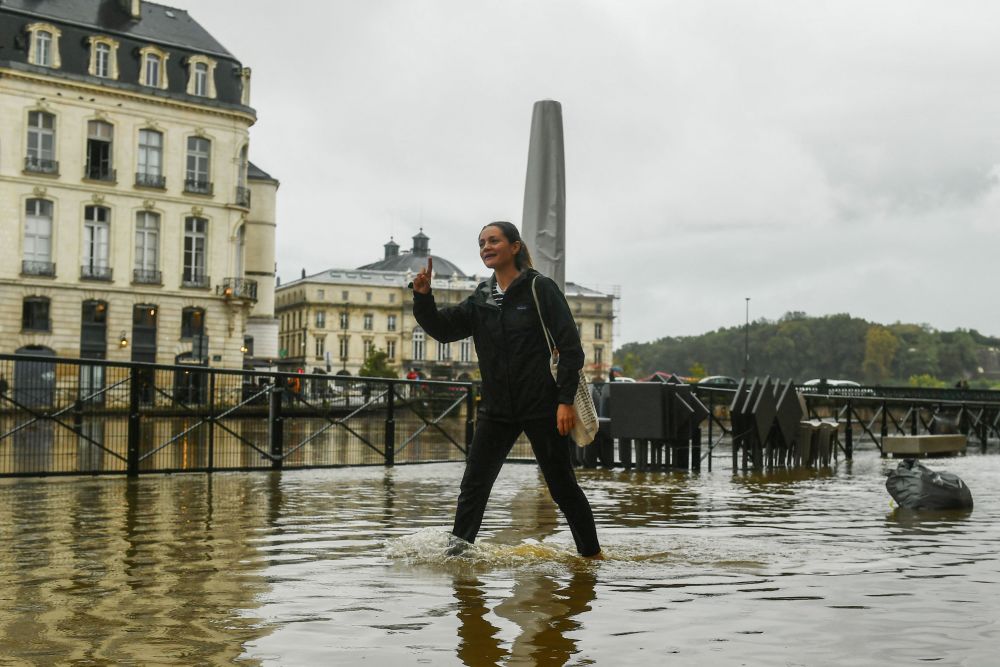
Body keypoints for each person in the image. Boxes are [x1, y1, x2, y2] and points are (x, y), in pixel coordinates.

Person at [411, 221, 601, 558]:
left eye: (493, 240)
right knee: (473, 486)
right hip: (497, 409)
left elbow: (570, 348)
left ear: (514, 247)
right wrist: (424, 298)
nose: (486, 246)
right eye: (481, 242)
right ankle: (457, 560)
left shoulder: (540, 289)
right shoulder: (481, 298)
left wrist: (564, 401)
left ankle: (591, 557)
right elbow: (443, 330)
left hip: (542, 405)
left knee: (561, 486)